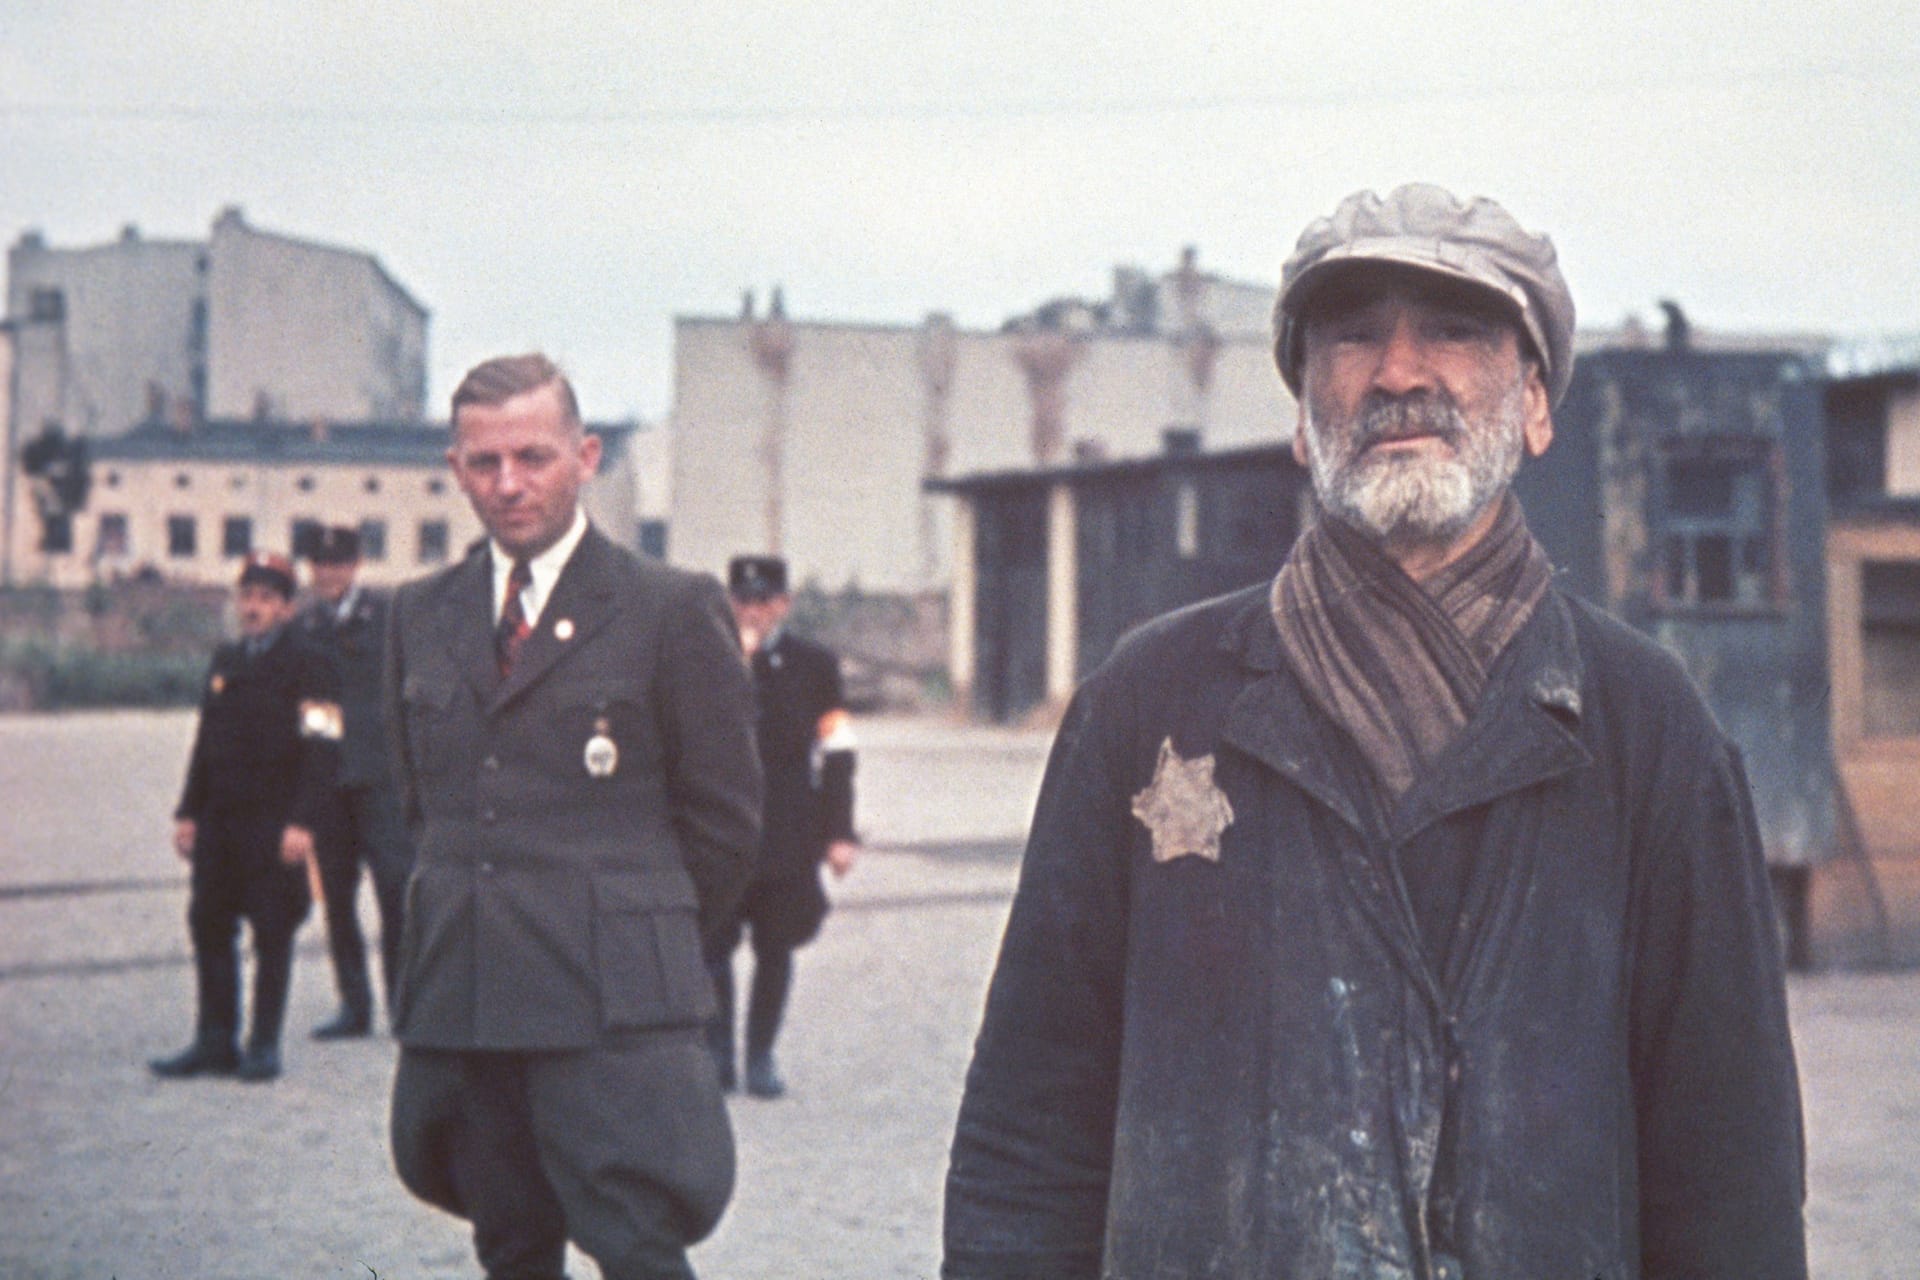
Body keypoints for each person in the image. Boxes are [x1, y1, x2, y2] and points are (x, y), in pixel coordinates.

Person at [942, 185, 1808, 1278]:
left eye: (1454, 329)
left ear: (1538, 402)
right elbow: (1030, 1131)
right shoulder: (1150, 704)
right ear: (1303, 419)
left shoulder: (1646, 727)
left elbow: (1730, 1177)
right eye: (1353, 336)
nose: (1400, 371)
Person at [386, 353, 762, 1280]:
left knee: (637, 1247)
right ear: (455, 468)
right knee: (508, 1245)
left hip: (609, 1013)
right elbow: (414, 812)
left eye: (533, 456)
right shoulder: (417, 614)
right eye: (484, 463)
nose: (508, 484)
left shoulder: (667, 608)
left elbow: (726, 825)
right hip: (473, 1003)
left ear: (586, 456)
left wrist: (636, 940)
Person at [150, 552, 340, 1084]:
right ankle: (215, 1040)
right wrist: (189, 811)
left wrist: (305, 822)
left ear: (286, 607)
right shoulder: (227, 660)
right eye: (247, 597)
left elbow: (325, 748)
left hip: (274, 824)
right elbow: (206, 741)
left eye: (265, 599)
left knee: (272, 932)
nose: (253, 608)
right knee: (209, 925)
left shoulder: (312, 662)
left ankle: (262, 1045)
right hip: (220, 822)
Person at [705, 554, 858, 1098]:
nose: (753, 612)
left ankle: (761, 1055)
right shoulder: (704, 658)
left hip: (789, 828)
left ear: (784, 604)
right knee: (711, 947)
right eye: (743, 601)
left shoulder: (813, 665)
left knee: (776, 946)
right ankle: (717, 1055)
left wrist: (840, 832)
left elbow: (837, 752)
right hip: (717, 830)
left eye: (765, 601)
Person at [296, 524, 414, 1039]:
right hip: (330, 785)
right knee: (337, 900)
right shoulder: (304, 627)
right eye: (320, 566)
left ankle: (404, 1005)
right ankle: (354, 1006)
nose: (328, 575)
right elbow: (307, 706)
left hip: (381, 781)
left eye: (337, 565)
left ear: (355, 565)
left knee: (395, 894)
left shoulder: (387, 617)